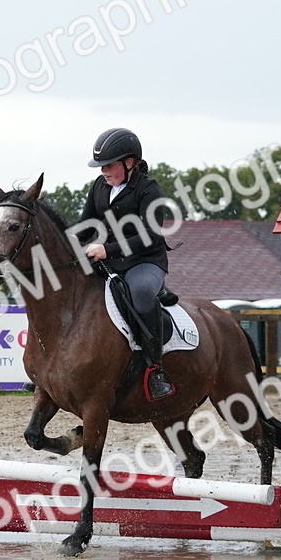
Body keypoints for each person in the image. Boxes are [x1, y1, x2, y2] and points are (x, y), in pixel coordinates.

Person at [77, 128, 175, 401]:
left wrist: (106, 250)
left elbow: (149, 235)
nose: (103, 171)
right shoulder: (99, 187)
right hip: (109, 260)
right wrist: (65, 240)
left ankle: (155, 369)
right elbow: (86, 225)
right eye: (101, 166)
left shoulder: (148, 189)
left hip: (145, 261)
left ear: (129, 163)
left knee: (142, 295)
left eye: (108, 165)